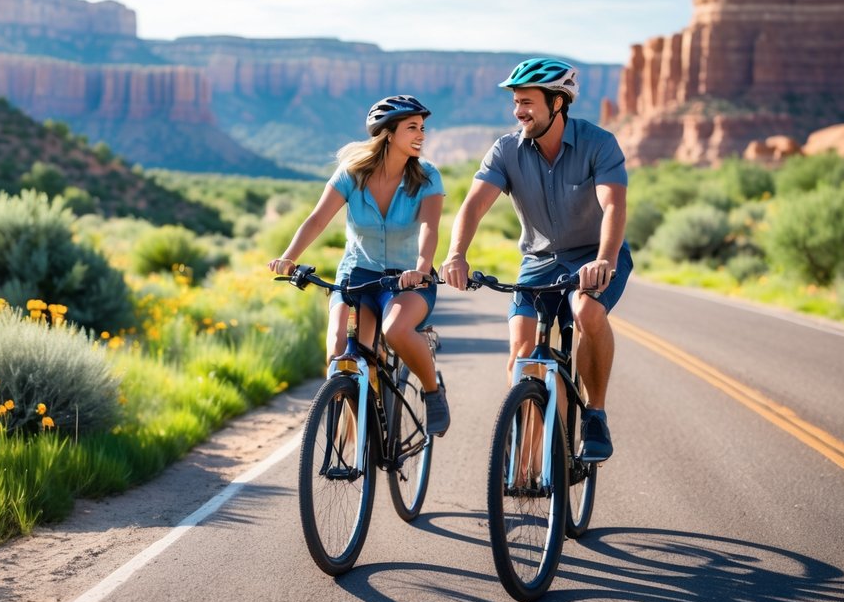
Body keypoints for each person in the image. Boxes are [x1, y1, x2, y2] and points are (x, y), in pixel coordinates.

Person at [440, 58, 630, 461]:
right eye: (515, 102)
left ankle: (594, 413)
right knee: (522, 354)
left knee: (586, 313)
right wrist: (456, 253)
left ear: (557, 103)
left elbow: (613, 205)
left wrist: (604, 260)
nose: (518, 111)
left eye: (527, 101)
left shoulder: (599, 143)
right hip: (539, 261)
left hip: (594, 255)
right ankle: (528, 455)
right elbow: (473, 206)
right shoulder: (506, 150)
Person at [268, 94, 450, 436]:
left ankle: (432, 392)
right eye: (412, 128)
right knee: (339, 349)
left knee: (394, 330)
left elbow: (429, 226)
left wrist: (423, 267)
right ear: (388, 133)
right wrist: (289, 257)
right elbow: (317, 220)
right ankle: (360, 416)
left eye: (423, 128)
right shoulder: (352, 174)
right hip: (358, 276)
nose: (421, 135)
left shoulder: (427, 176)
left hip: (407, 279)